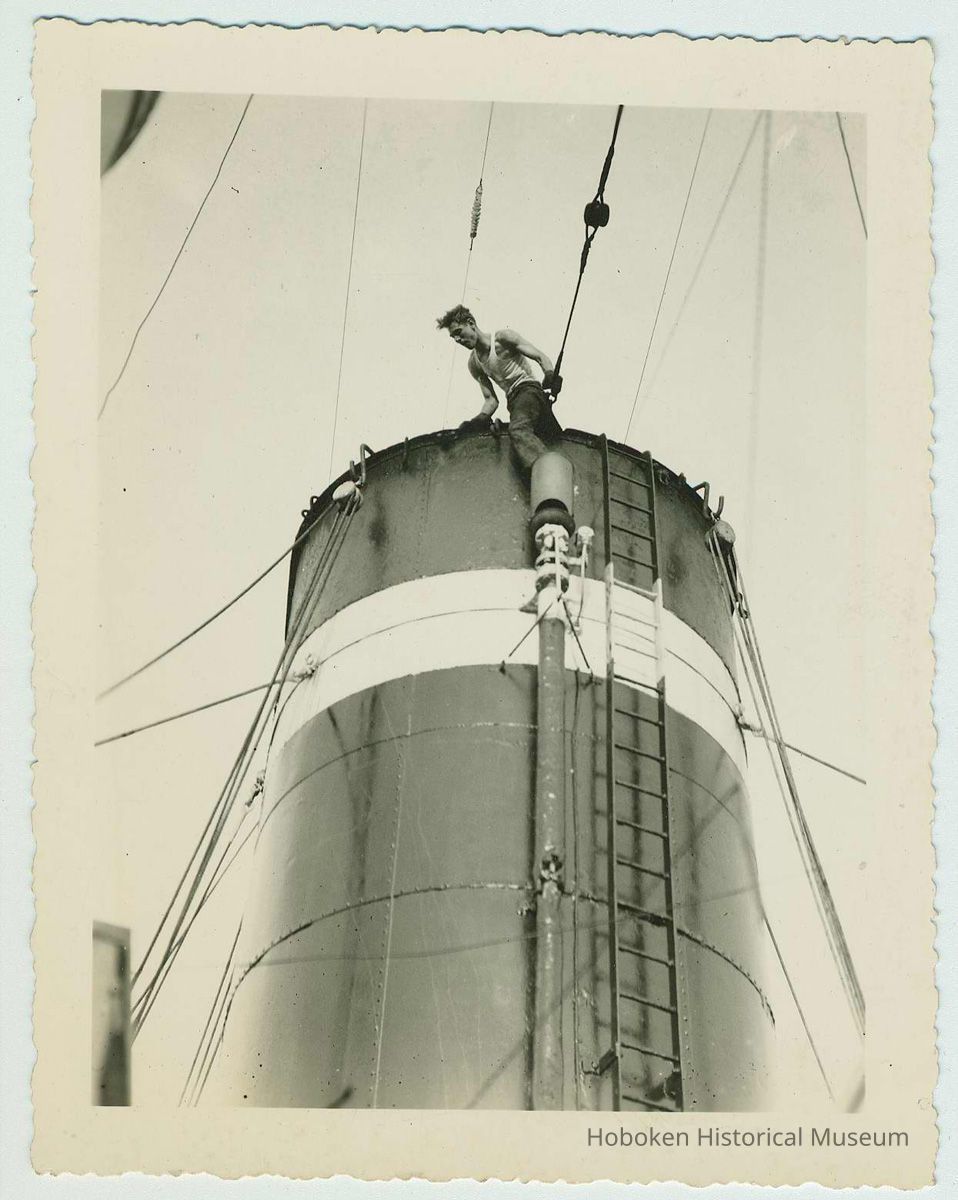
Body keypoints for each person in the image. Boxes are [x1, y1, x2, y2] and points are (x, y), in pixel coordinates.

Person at [436, 305, 563, 470]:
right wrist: (473, 423)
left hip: (529, 391)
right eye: (453, 337)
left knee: (518, 430)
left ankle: (550, 473)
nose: (457, 340)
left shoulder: (503, 338)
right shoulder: (474, 363)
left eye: (458, 332)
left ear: (471, 323)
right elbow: (491, 401)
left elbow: (540, 356)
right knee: (547, 438)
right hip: (514, 402)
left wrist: (550, 374)